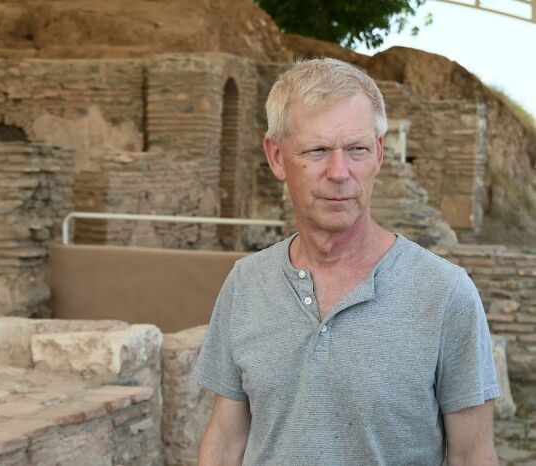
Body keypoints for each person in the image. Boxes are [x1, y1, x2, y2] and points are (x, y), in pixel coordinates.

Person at [192, 58, 500, 466]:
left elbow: (472, 455)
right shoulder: (246, 283)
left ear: (379, 154)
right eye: (317, 150)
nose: (339, 172)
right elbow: (226, 440)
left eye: (356, 149)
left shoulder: (445, 294)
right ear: (277, 157)